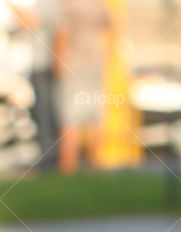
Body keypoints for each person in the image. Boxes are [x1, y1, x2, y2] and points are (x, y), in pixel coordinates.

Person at [53, 0, 113, 174]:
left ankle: (68, 168)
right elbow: (110, 35)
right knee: (96, 118)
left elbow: (61, 35)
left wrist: (57, 64)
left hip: (73, 65)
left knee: (70, 120)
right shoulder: (100, 6)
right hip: (96, 65)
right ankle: (95, 167)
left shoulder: (68, 6)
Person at [7, 0, 61, 169]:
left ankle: (50, 159)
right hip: (37, 64)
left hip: (44, 65)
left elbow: (32, 21)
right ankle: (46, 156)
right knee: (39, 113)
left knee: (46, 115)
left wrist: (10, 5)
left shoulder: (51, 4)